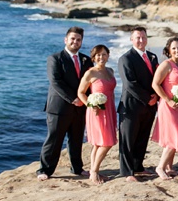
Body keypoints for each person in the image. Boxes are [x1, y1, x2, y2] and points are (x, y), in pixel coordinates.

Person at [37, 26, 93, 181]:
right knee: (54, 139)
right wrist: (73, 99)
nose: (75, 42)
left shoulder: (86, 60)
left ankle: (77, 168)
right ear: (66, 40)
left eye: (78, 39)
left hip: (80, 108)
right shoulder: (55, 58)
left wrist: (89, 100)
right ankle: (45, 170)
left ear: (82, 41)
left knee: (76, 140)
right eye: (72, 39)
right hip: (59, 108)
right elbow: (56, 82)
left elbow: (91, 81)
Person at [118, 26, 159, 182]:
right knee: (128, 139)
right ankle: (127, 172)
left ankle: (138, 166)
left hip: (150, 105)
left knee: (142, 137)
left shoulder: (153, 57)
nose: (141, 40)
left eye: (143, 37)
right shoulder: (126, 59)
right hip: (131, 106)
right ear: (131, 39)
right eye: (137, 37)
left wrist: (156, 96)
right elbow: (130, 83)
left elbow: (157, 79)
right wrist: (148, 98)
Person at [151, 37, 178, 180]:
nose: (177, 50)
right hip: (169, 107)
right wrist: (168, 100)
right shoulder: (166, 65)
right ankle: (160, 167)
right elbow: (155, 84)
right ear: (169, 50)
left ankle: (169, 167)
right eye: (174, 48)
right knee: (174, 136)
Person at [77, 44, 117, 184]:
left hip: (110, 109)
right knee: (107, 142)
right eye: (98, 55)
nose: (101, 57)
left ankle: (94, 172)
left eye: (104, 54)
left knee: (98, 144)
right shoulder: (90, 73)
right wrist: (90, 104)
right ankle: (94, 171)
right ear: (94, 57)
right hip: (97, 111)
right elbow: (80, 92)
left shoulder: (111, 71)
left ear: (108, 55)